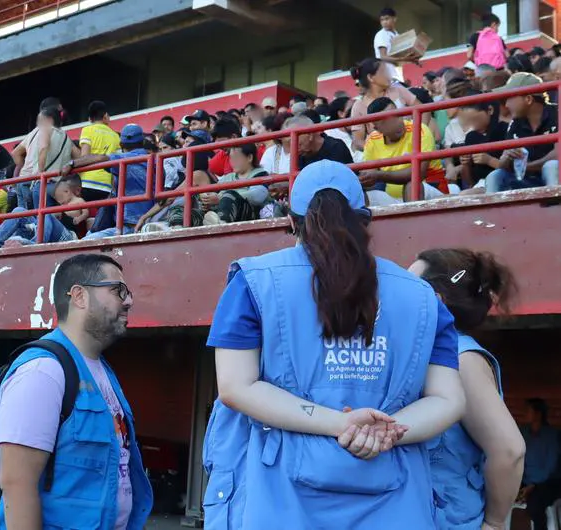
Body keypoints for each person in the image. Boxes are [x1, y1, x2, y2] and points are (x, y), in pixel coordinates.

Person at [208, 161, 465, 529]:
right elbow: (449, 399)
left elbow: (236, 387)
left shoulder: (252, 282)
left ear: (292, 222)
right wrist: (382, 432)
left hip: (278, 499)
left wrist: (340, 424)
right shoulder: (423, 296)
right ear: (366, 220)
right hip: (396, 500)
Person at [0, 254, 152, 529]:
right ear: (79, 296)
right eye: (118, 290)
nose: (128, 301)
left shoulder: (103, 372)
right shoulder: (43, 371)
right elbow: (17, 485)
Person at [406, 249, 524, 530]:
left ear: (436, 300)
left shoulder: (462, 358)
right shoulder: (423, 352)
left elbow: (509, 451)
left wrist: (494, 524)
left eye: (409, 284)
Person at [66, 124, 154, 237]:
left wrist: (72, 163)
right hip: (150, 220)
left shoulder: (122, 159)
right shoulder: (157, 161)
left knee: (86, 242)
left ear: (121, 145)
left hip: (129, 227)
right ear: (142, 142)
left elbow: (100, 158)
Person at [361, 97, 451, 204]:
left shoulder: (420, 129)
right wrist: (365, 179)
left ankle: (413, 221)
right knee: (364, 196)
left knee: (412, 185)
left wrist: (379, 175)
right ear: (376, 128)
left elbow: (418, 174)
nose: (398, 122)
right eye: (388, 120)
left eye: (397, 115)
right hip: (394, 199)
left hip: (430, 192)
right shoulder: (372, 140)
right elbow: (370, 176)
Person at [485, 73, 559, 192]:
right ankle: (493, 211)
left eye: (509, 98)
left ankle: (556, 208)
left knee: (551, 167)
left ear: (528, 99)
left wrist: (527, 167)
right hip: (529, 180)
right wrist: (506, 159)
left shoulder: (557, 113)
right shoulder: (515, 123)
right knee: (496, 176)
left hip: (553, 179)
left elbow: (558, 154)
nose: (507, 105)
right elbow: (504, 165)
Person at [13, 104, 78, 210]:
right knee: (44, 218)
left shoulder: (40, 131)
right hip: (54, 184)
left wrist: (39, 172)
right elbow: (79, 156)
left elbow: (18, 153)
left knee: (27, 218)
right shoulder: (66, 137)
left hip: (32, 181)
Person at [349, 58, 419, 151]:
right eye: (384, 71)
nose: (389, 75)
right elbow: (358, 141)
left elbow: (422, 111)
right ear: (371, 77)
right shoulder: (358, 106)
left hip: (413, 145)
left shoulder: (398, 90)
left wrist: (419, 135)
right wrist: (379, 152)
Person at [202, 143, 270, 226]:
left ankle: (221, 223)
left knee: (229, 195)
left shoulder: (260, 174)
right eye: (231, 158)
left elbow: (257, 197)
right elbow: (213, 192)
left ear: (249, 158)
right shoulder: (228, 177)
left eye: (236, 158)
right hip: (219, 211)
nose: (233, 161)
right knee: (195, 206)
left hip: (248, 215)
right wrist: (207, 199)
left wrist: (221, 198)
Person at [519, 398, 561, 529]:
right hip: (527, 481)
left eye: (528, 411)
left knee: (535, 504)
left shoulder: (552, 436)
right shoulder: (524, 432)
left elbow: (549, 468)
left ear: (538, 414)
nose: (525, 414)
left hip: (549, 482)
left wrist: (533, 485)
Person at [77, 101, 121, 203]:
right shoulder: (115, 136)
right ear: (105, 115)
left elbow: (84, 156)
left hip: (87, 183)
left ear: (90, 118)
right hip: (107, 185)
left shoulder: (87, 130)